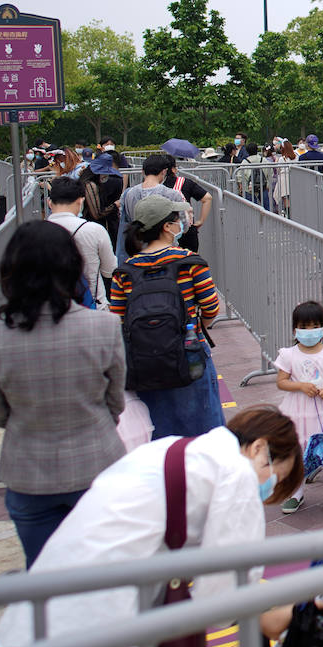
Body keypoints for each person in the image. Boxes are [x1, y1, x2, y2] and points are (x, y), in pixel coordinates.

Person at [0, 405, 304, 647]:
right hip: (94, 625)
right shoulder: (237, 473)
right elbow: (224, 592)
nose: (266, 488)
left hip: (49, 612)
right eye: (274, 478)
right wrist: (268, 617)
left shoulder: (177, 450)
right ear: (259, 448)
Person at [0, 221, 126, 566]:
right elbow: (115, 401)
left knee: (44, 574)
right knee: (103, 571)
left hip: (28, 472)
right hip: (96, 462)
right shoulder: (102, 326)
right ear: (72, 267)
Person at [110, 195, 224, 438]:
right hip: (190, 354)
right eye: (176, 219)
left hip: (144, 361)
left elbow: (118, 319)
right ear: (167, 227)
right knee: (205, 436)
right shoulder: (190, 262)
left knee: (158, 435)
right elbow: (211, 308)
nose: (180, 223)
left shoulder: (125, 271)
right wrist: (195, 328)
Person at [276, 301, 323, 515]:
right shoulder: (288, 355)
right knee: (298, 451)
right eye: (304, 327)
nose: (309, 331)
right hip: (297, 410)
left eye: (314, 326)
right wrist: (299, 385)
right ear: (295, 329)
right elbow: (282, 381)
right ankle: (297, 493)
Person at [46, 177, 118, 302]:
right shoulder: (94, 230)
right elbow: (110, 270)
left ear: (49, 202)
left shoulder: (35, 232)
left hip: (52, 306)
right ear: (80, 201)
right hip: (93, 303)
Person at [116, 153, 188, 262]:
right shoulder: (172, 194)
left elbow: (124, 217)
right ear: (164, 172)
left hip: (138, 249)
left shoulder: (128, 194)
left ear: (143, 172)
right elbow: (184, 225)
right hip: (167, 252)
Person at [162, 155, 211, 253]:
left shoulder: (158, 186)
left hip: (165, 233)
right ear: (173, 169)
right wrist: (201, 221)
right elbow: (208, 198)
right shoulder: (185, 182)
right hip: (187, 232)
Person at [80, 153, 125, 245]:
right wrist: (115, 205)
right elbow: (97, 213)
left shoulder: (91, 183)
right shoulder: (90, 185)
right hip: (92, 227)